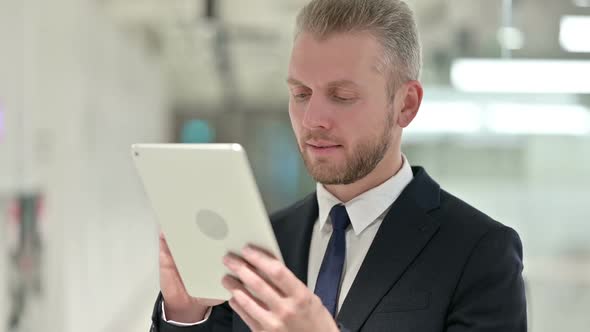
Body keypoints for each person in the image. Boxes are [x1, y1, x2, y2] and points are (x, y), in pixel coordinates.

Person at [150, 0, 527, 331]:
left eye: (342, 96)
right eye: (300, 94)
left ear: (406, 105)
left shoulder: (478, 252)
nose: (313, 118)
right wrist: (184, 317)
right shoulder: (263, 242)